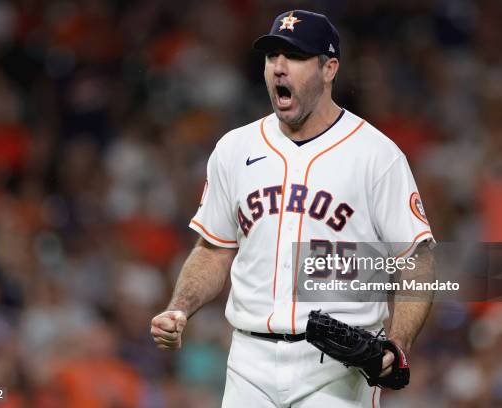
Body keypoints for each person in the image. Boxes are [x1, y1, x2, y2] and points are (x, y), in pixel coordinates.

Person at [151, 10, 434, 407]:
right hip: (249, 361)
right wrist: (179, 308)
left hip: (337, 368)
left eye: (296, 57)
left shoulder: (376, 155)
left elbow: (416, 260)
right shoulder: (235, 149)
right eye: (272, 57)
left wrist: (398, 343)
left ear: (329, 68)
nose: (279, 68)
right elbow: (214, 249)